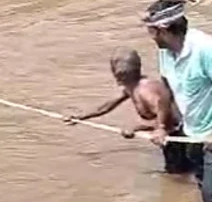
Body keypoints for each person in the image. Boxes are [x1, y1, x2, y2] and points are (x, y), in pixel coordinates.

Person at [64, 47, 189, 175]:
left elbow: (170, 119)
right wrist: (80, 117)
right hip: (169, 136)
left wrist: (137, 128)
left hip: (178, 137)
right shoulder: (131, 87)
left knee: (178, 176)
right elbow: (107, 106)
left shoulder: (145, 90)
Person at [143, 0, 212, 202]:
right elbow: (166, 91)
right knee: (202, 187)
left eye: (151, 31)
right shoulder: (166, 53)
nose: (150, 36)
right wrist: (162, 126)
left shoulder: (205, 49)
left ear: (163, 30)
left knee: (211, 196)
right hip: (192, 135)